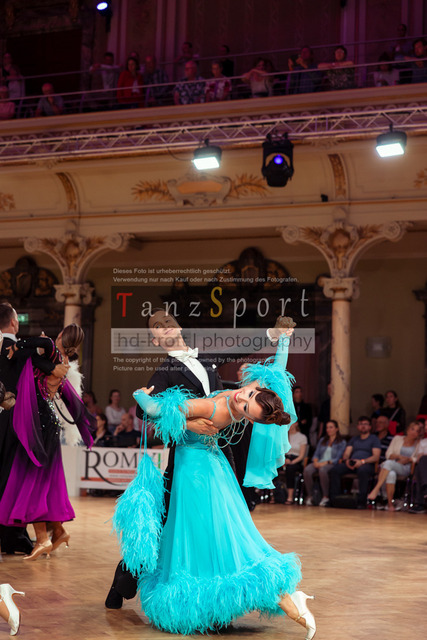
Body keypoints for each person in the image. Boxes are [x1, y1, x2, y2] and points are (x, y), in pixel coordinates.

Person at [115, 325, 316, 639]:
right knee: (214, 537)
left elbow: (155, 409)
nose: (242, 396)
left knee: (196, 538)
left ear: (249, 417)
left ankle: (212, 606)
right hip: (211, 468)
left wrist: (139, 395)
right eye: (249, 394)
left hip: (194, 473)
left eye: (246, 405)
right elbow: (277, 372)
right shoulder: (237, 395)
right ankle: (250, 605)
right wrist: (283, 340)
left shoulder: (214, 406)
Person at [105, 308, 228, 610]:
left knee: (212, 525)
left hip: (215, 457)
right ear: (156, 340)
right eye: (157, 326)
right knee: (162, 525)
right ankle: (123, 582)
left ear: (179, 326)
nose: (165, 326)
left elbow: (221, 397)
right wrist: (188, 423)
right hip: (185, 459)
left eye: (168, 321)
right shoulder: (164, 371)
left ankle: (212, 595)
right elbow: (143, 410)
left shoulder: (207, 361)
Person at [0, 324, 94, 559]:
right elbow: (38, 361)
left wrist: (17, 346)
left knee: (33, 481)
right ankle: (58, 532)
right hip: (47, 423)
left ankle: (43, 539)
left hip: (41, 424)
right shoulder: (62, 362)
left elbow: (37, 346)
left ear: (61, 336)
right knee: (42, 480)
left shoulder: (52, 349)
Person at [0, 304, 68, 556]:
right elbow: (48, 365)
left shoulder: (15, 349)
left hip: (7, 419)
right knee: (18, 478)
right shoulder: (23, 351)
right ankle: (15, 537)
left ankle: (35, 534)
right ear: (14, 323)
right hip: (21, 422)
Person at [367, 421, 422, 511]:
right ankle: (390, 504)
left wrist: (408, 459)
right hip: (393, 464)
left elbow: (418, 458)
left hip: (406, 467)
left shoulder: (419, 443)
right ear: (408, 430)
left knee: (388, 463)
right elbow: (388, 454)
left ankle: (376, 489)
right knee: (391, 474)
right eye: (412, 429)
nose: (414, 432)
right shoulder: (397, 439)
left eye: (417, 431)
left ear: (418, 434)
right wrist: (399, 457)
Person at [329, 416, 381, 508]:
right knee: (334, 470)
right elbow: (347, 453)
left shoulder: (374, 439)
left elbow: (376, 457)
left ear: (370, 427)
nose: (363, 426)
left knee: (362, 471)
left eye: (365, 424)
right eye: (361, 424)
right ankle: (334, 499)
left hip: (367, 464)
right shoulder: (354, 439)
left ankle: (361, 502)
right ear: (358, 426)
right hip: (352, 463)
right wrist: (347, 460)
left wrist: (362, 461)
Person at [304, 420, 346, 506]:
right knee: (307, 470)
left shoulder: (342, 442)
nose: (328, 429)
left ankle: (325, 496)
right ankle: (310, 496)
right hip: (320, 462)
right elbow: (316, 453)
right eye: (327, 427)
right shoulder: (323, 440)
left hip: (331, 463)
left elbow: (338, 457)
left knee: (323, 470)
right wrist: (315, 461)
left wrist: (325, 463)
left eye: (331, 427)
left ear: (336, 429)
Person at [283, 421, 308, 505]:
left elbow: (302, 456)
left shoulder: (302, 437)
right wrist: (283, 460)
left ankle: (290, 496)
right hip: (284, 459)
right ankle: (273, 494)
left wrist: (291, 462)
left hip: (296, 460)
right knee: (271, 467)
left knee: (290, 469)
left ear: (296, 423)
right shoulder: (284, 435)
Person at [409, 418, 427, 514]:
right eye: (426, 425)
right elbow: (419, 457)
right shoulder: (423, 442)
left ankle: (421, 502)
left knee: (423, 461)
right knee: (420, 464)